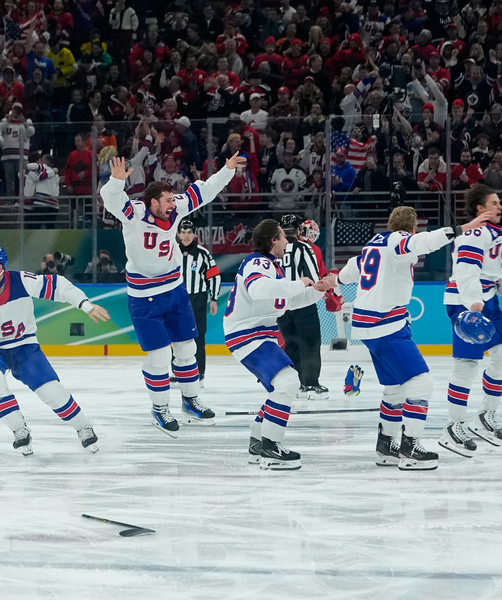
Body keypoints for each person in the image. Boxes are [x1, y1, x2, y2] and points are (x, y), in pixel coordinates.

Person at [99, 152, 245, 436]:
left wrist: (226, 170)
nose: (172, 203)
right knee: (157, 357)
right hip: (143, 296)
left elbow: (205, 190)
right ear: (152, 202)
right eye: (166, 200)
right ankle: (159, 408)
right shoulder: (135, 213)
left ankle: (190, 401)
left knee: (187, 349)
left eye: (172, 199)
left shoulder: (175, 206)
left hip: (175, 290)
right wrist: (116, 183)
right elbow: (112, 200)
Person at [336, 206, 491, 469]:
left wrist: (331, 283)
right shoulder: (399, 241)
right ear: (412, 228)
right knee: (422, 384)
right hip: (385, 324)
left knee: (396, 388)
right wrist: (462, 228)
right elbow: (424, 242)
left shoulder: (373, 245)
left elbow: (347, 272)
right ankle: (410, 448)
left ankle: (386, 446)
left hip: (371, 325)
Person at [0, 245, 109, 455]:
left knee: (51, 390)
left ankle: (83, 426)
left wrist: (85, 304)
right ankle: (18, 429)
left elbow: (58, 285)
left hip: (23, 344)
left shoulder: (21, 281)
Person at [224, 219, 337, 470]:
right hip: (247, 334)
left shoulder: (272, 266)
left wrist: (318, 290)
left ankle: (258, 440)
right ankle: (270, 448)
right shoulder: (258, 262)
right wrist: (299, 283)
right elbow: (258, 289)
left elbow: (286, 302)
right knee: (287, 382)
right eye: (283, 237)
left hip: (257, 334)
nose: (287, 241)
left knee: (283, 385)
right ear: (273, 240)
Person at [441, 184, 502, 455]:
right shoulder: (475, 231)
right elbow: (467, 269)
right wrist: (473, 303)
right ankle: (453, 425)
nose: (500, 207)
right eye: (494, 203)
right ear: (480, 208)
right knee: (466, 364)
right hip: (464, 302)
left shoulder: (498, 234)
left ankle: (485, 416)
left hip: (488, 299)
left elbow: (498, 275)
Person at [277, 214, 328, 399]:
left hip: (281, 305)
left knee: (291, 344)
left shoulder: (274, 248)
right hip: (303, 303)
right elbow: (314, 277)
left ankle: (293, 384)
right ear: (298, 231)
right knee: (310, 343)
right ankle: (311, 384)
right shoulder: (304, 247)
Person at [176, 220, 220, 384]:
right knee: (177, 335)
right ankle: (178, 371)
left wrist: (214, 298)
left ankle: (199, 373)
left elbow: (214, 276)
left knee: (198, 336)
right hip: (176, 299)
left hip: (197, 299)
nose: (186, 236)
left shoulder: (203, 253)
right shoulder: (172, 252)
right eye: (183, 232)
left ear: (194, 234)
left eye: (189, 232)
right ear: (179, 234)